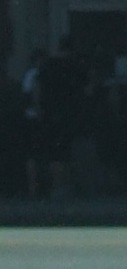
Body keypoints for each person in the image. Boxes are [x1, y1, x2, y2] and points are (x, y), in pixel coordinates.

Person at [37, 37, 89, 198]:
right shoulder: (76, 66)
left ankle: (55, 186)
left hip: (49, 113)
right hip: (70, 114)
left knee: (53, 151)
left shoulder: (47, 65)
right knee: (66, 151)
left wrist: (40, 108)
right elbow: (87, 88)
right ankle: (65, 186)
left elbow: (38, 88)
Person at [21, 47, 45, 199]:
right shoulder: (34, 75)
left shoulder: (28, 76)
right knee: (35, 153)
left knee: (33, 153)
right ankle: (34, 188)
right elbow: (33, 95)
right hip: (35, 118)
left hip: (31, 117)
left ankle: (34, 187)